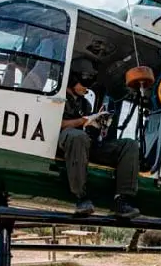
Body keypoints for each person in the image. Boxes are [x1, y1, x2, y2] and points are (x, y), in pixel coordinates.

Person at [58, 57, 141, 218]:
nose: (87, 88)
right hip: (66, 143)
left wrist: (100, 125)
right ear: (73, 79)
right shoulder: (58, 98)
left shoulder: (85, 105)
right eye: (84, 81)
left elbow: (90, 130)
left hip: (87, 145)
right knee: (77, 136)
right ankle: (81, 197)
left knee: (129, 145)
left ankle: (122, 199)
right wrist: (84, 121)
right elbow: (55, 124)